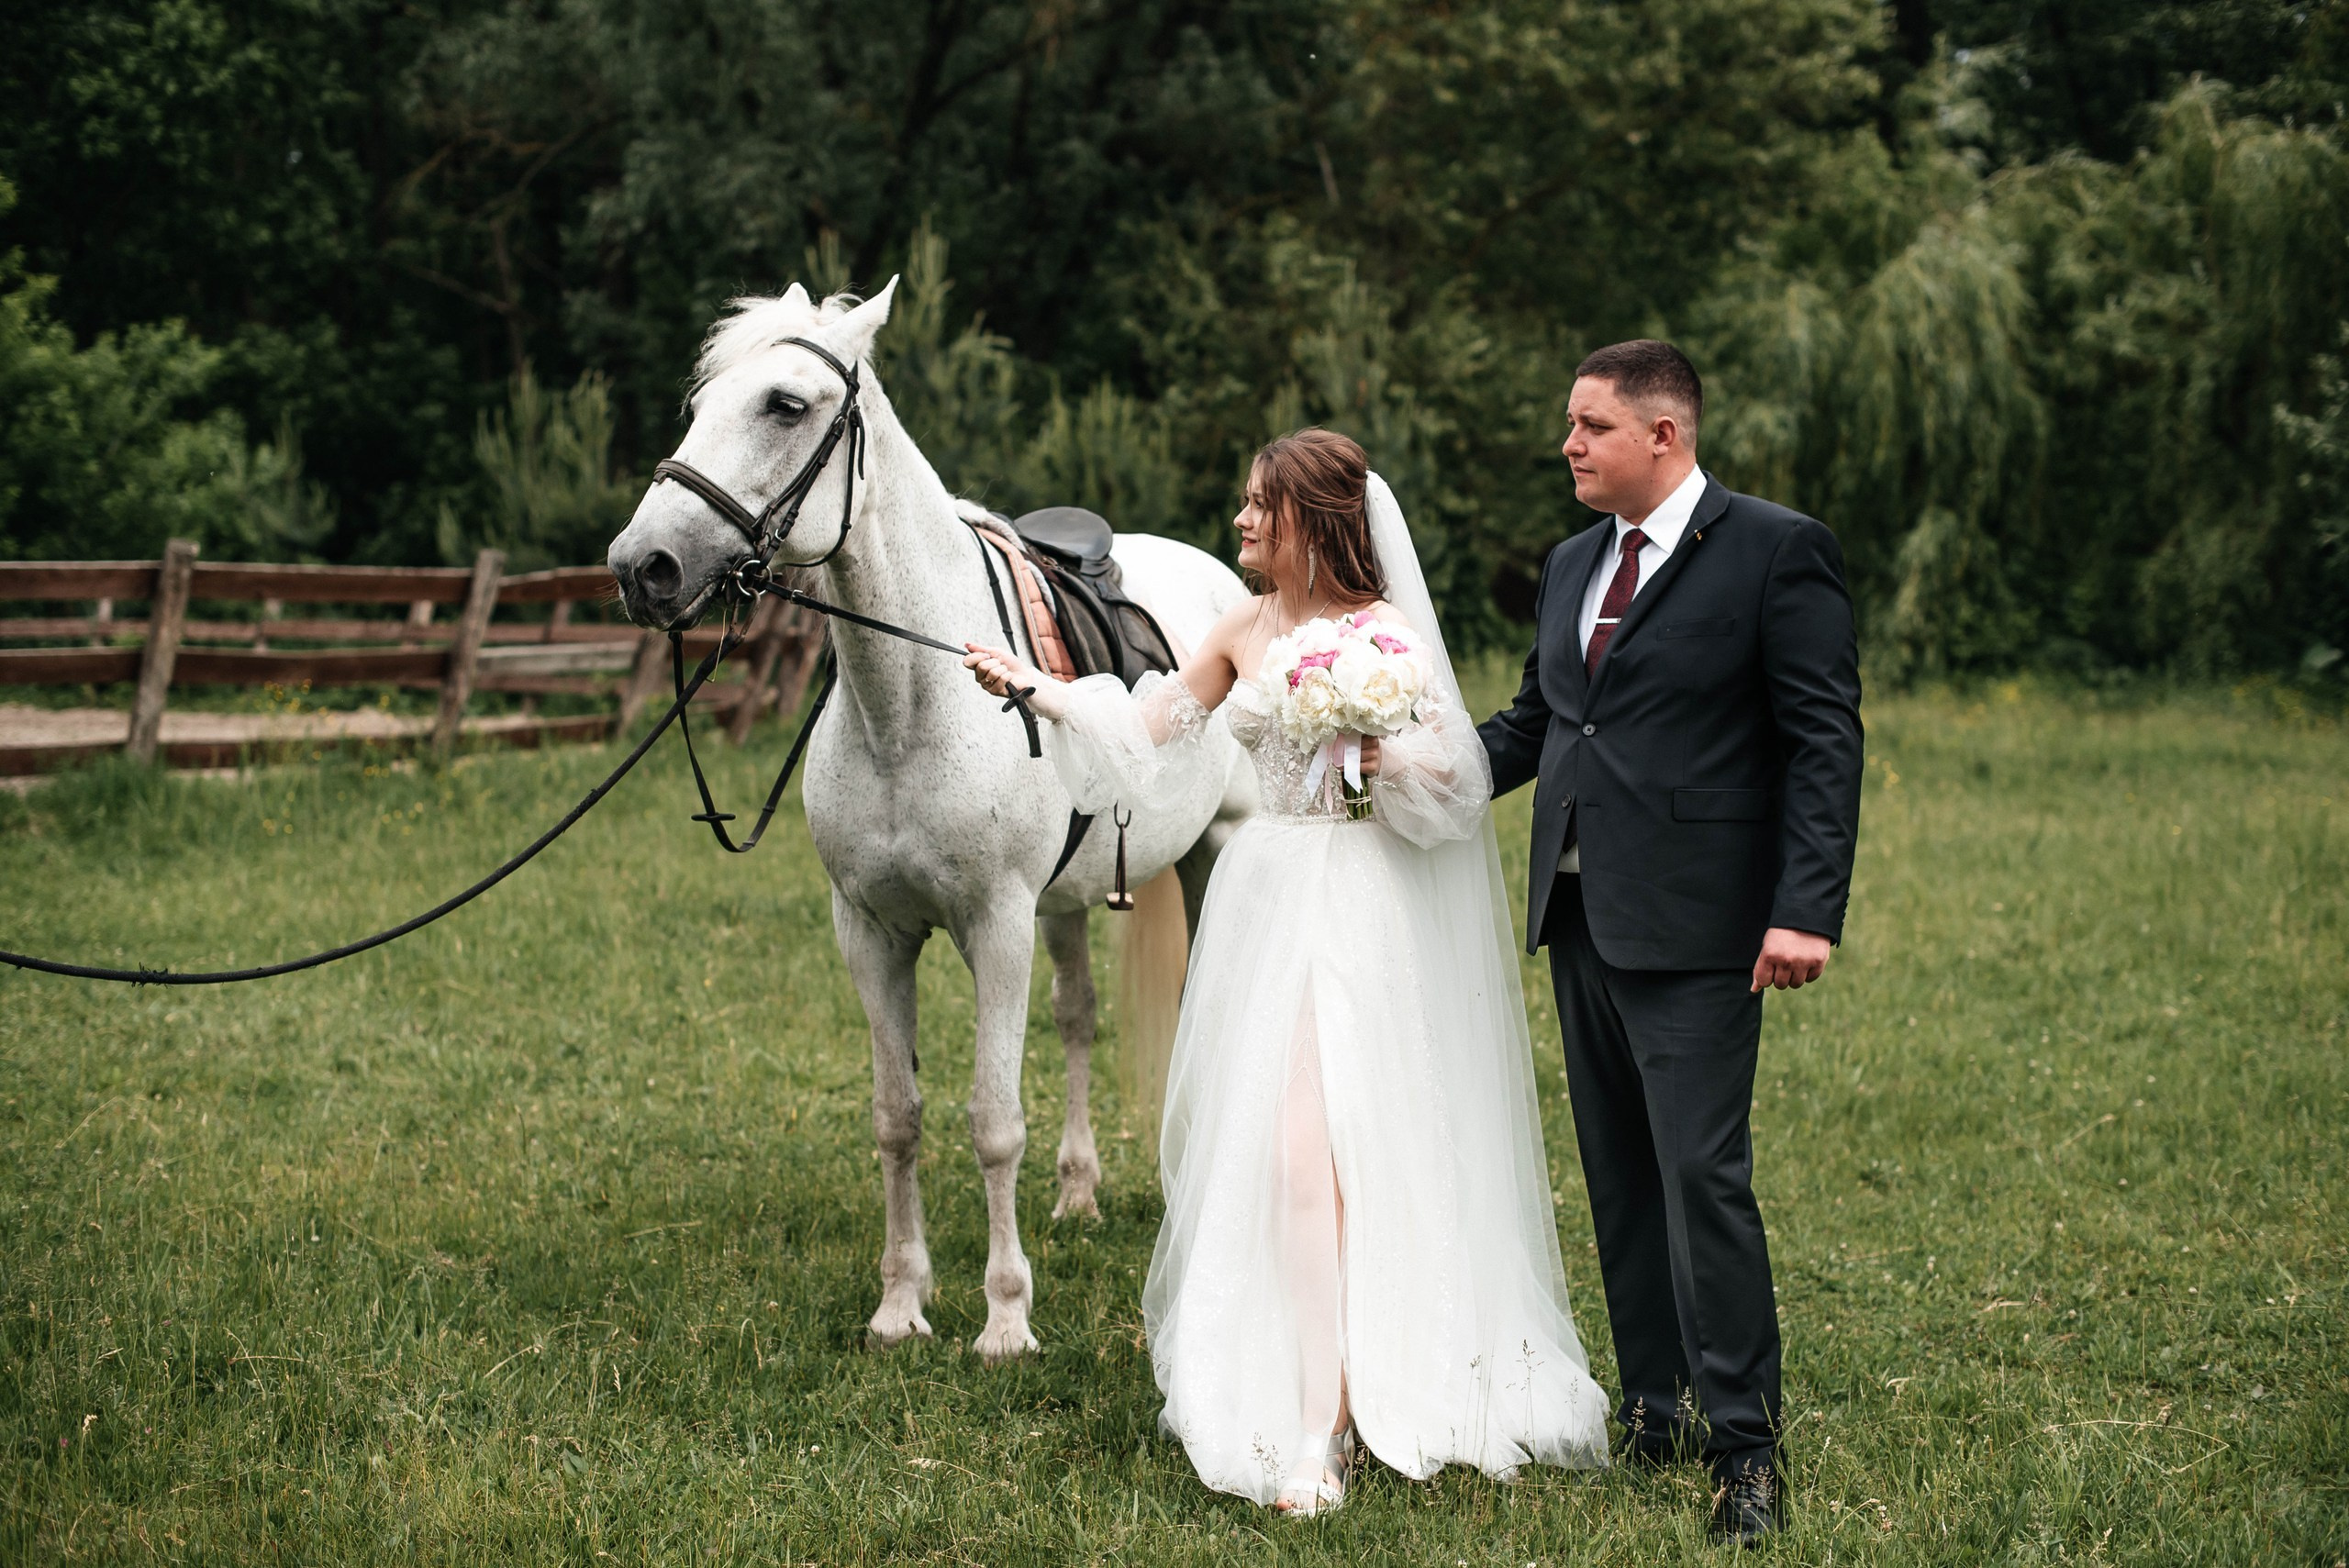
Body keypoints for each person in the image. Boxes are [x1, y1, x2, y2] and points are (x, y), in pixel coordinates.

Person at [964, 429, 1609, 1514]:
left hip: (1360, 899)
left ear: (1315, 516)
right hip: (1268, 897)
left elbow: (1452, 783)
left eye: (1260, 506)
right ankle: (1314, 1389)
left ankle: (1331, 1417)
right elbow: (1149, 727)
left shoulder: (1384, 637)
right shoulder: (1242, 626)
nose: (1241, 523)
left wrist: (1367, 747)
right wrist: (1042, 689)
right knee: (1282, 1150)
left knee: (1334, 1146)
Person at [1477, 341, 1865, 1544]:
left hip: (1705, 925)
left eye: (1590, 427)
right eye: (1571, 425)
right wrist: (1401, 771)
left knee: (1703, 1179)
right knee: (1620, 1177)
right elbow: (1540, 721)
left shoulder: (1773, 550)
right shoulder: (1571, 562)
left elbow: (1822, 742)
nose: (1570, 446)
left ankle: (1746, 1445)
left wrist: (1805, 908)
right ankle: (1655, 1406)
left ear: (1665, 435)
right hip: (1583, 915)